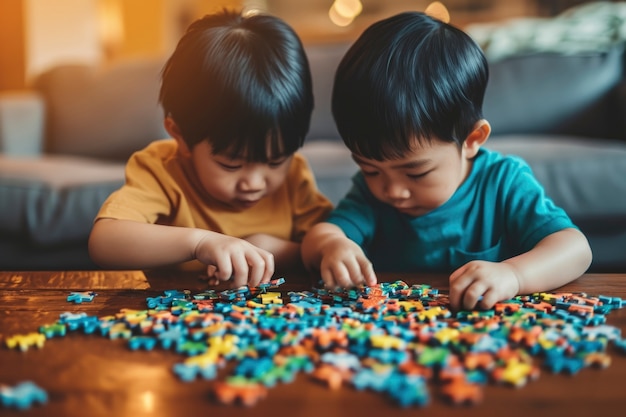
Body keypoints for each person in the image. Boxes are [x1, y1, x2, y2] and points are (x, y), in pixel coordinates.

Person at [301, 11, 592, 311]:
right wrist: (332, 245)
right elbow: (318, 237)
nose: (392, 190)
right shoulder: (368, 195)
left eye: (416, 172)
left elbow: (575, 249)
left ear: (472, 140)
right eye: (370, 169)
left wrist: (514, 274)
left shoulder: (504, 182)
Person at [89, 9, 332, 288]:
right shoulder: (162, 168)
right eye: (231, 164)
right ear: (180, 136)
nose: (253, 183)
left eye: (276, 161)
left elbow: (324, 243)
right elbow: (104, 242)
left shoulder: (294, 175)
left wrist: (265, 247)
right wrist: (200, 242)